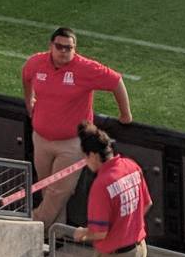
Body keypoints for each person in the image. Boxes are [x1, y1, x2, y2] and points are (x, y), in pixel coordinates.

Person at [20, 28, 129, 229]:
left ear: (74, 49)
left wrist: (125, 115)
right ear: (50, 46)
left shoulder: (85, 68)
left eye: (68, 48)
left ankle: (31, 226)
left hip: (72, 144)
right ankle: (55, 236)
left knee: (59, 191)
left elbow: (116, 81)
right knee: (47, 189)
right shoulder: (37, 62)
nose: (63, 51)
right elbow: (26, 76)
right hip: (41, 138)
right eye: (59, 46)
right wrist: (29, 101)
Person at [68, 124, 148, 257]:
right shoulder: (131, 166)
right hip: (139, 250)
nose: (85, 162)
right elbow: (146, 204)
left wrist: (82, 234)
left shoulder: (102, 184)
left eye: (85, 157)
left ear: (94, 155)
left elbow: (99, 232)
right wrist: (127, 226)